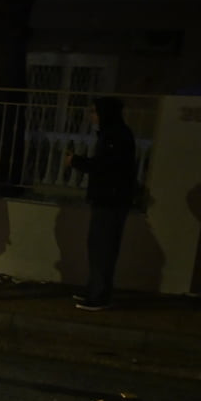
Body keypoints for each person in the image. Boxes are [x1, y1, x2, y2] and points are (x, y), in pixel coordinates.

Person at [65, 96, 137, 311]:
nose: (91, 115)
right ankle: (95, 290)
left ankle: (99, 296)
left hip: (111, 200)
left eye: (94, 111)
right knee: (98, 247)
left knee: (102, 248)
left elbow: (104, 167)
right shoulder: (114, 134)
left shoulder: (115, 135)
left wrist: (75, 162)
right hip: (109, 199)